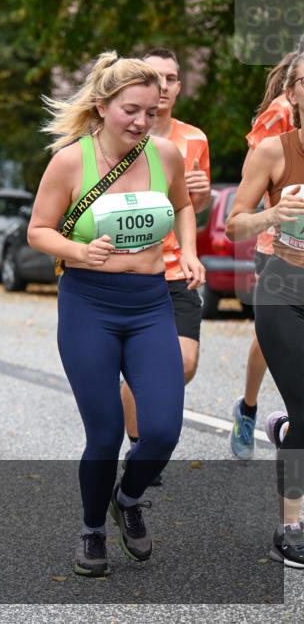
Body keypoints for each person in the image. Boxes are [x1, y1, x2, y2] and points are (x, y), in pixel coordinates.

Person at [27, 52, 205, 577]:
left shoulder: (166, 154)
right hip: (88, 304)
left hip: (151, 303)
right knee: (104, 435)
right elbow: (39, 230)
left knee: (164, 430)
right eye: (131, 110)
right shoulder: (69, 160)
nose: (140, 122)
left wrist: (189, 252)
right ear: (103, 107)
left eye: (150, 112)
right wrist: (79, 253)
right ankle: (92, 530)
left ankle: (127, 498)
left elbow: (184, 205)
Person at [226, 46, 304, 568]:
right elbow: (235, 221)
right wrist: (273, 213)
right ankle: (292, 526)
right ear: (293, 93)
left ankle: (284, 430)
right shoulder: (275, 151)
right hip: (285, 287)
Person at [119, 48, 211, 485]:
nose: (166, 85)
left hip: (178, 269)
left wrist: (203, 193)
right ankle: (139, 444)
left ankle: (149, 417)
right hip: (135, 269)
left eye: (172, 78)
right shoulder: (119, 133)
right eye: (157, 77)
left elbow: (197, 209)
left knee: (186, 362)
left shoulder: (195, 139)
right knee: (145, 364)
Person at [230, 51, 299, 460]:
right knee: (268, 335)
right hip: (278, 243)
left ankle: (291, 423)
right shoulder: (278, 114)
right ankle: (250, 407)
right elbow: (253, 172)